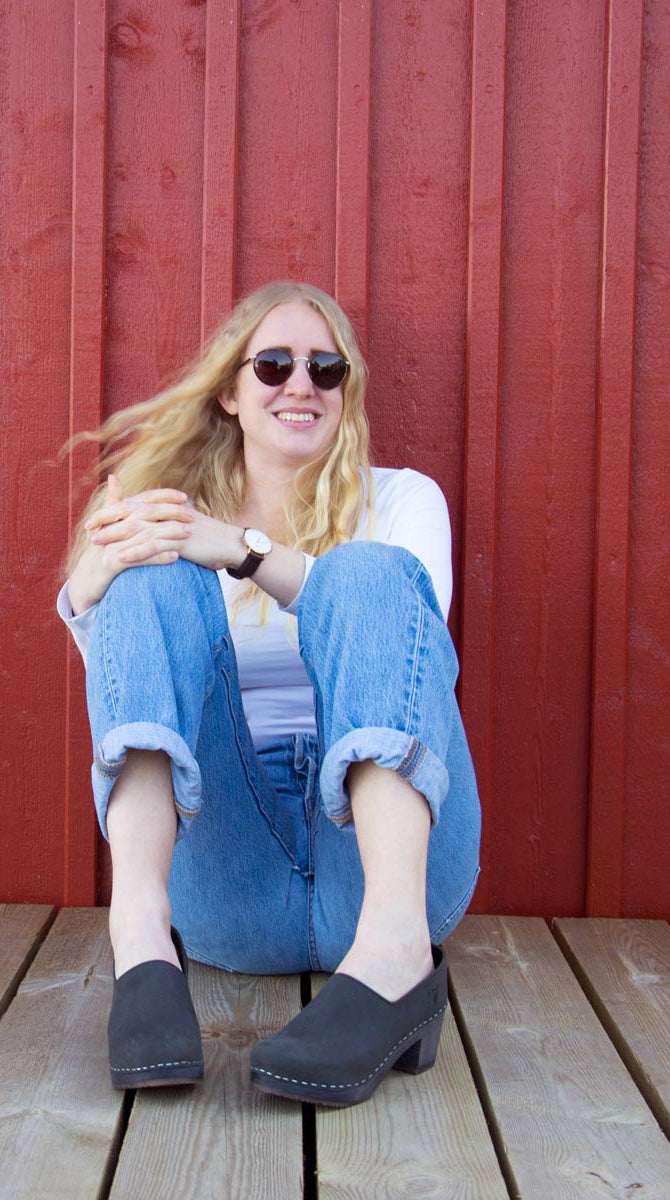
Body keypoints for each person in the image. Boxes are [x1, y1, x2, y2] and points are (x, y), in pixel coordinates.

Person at [56, 280, 482, 1106]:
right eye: (275, 364)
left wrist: (241, 551)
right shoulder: (174, 518)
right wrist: (96, 583)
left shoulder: (400, 499)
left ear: (346, 389)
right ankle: (143, 945)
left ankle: (394, 963)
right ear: (229, 389)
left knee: (370, 574)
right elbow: (132, 684)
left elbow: (411, 645)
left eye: (326, 368)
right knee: (146, 577)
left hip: (386, 862)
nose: (301, 385)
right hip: (228, 873)